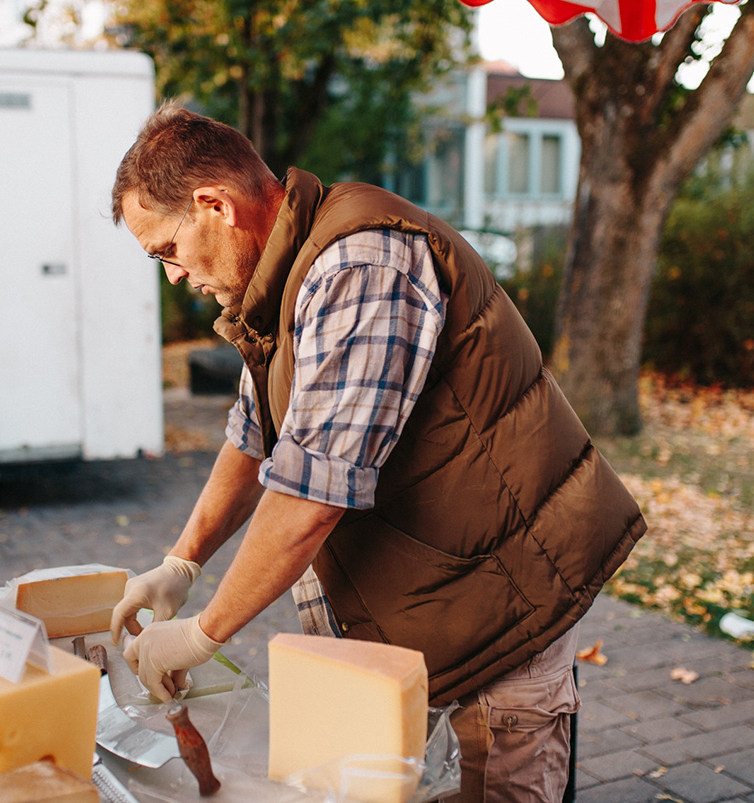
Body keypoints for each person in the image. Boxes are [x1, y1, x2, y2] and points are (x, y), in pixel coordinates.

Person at [108, 102, 646, 802]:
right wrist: (182, 561)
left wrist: (202, 633)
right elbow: (254, 436)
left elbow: (312, 494)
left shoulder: (361, 261)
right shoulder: (278, 286)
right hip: (417, 629)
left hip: (492, 633)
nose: (173, 276)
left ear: (214, 205)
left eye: (166, 251)